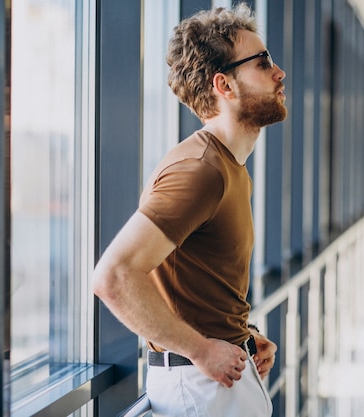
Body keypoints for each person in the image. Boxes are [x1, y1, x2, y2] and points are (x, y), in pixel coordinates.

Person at [92, 3, 286, 416]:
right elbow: (113, 275)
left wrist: (243, 336)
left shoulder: (229, 169)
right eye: (263, 62)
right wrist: (200, 349)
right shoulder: (200, 170)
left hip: (216, 380)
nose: (279, 72)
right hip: (197, 387)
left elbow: (195, 284)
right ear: (225, 85)